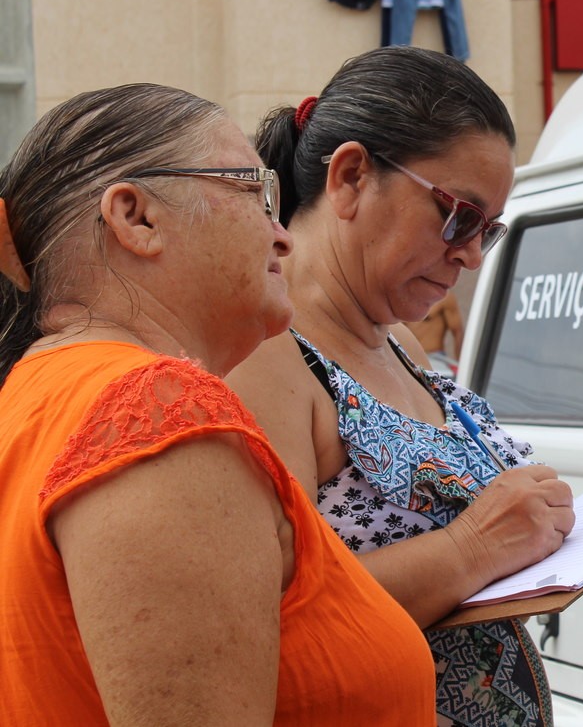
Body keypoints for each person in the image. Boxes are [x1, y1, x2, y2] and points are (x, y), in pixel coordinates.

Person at [0, 83, 436, 724]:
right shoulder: (159, 413)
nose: (282, 237)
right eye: (258, 194)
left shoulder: (34, 394)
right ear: (136, 218)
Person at [228, 46, 574, 727]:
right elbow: (268, 616)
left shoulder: (397, 340)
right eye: (457, 215)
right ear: (352, 176)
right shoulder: (265, 354)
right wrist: (472, 547)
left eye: (489, 230)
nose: (472, 254)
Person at [409, 290, 465, 358]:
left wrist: (460, 363)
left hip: (434, 357)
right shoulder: (406, 297)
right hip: (408, 356)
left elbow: (458, 331)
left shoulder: (444, 297)